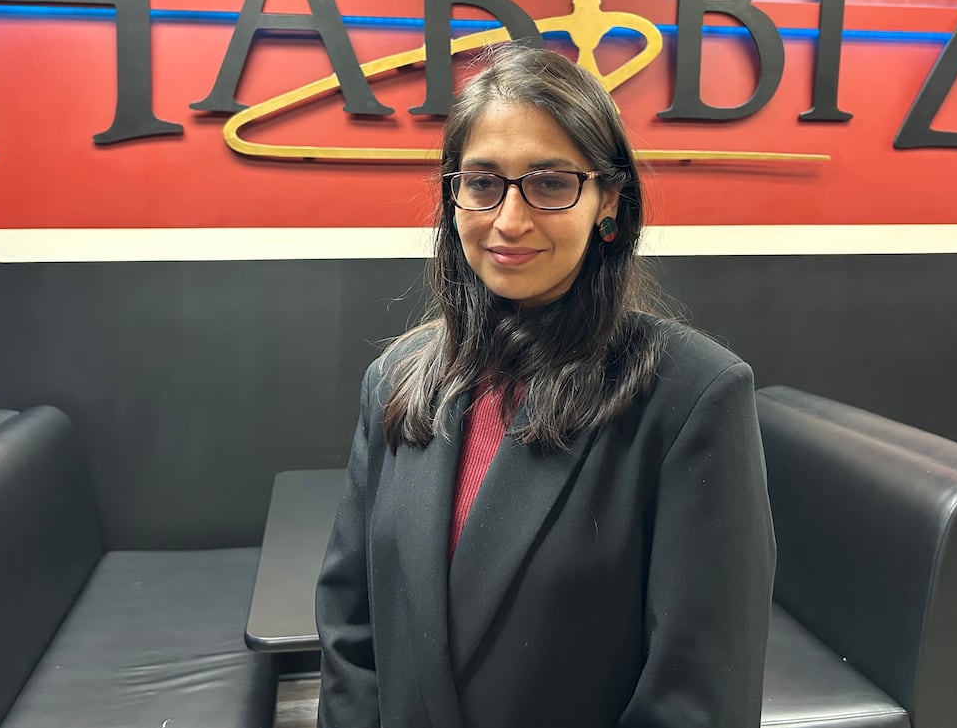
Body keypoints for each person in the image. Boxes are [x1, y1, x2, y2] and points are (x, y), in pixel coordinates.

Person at [315, 43, 775, 728]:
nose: (509, 219)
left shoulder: (691, 396)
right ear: (454, 194)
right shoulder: (397, 378)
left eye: (551, 182)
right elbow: (351, 630)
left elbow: (697, 695)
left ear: (608, 201)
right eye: (482, 181)